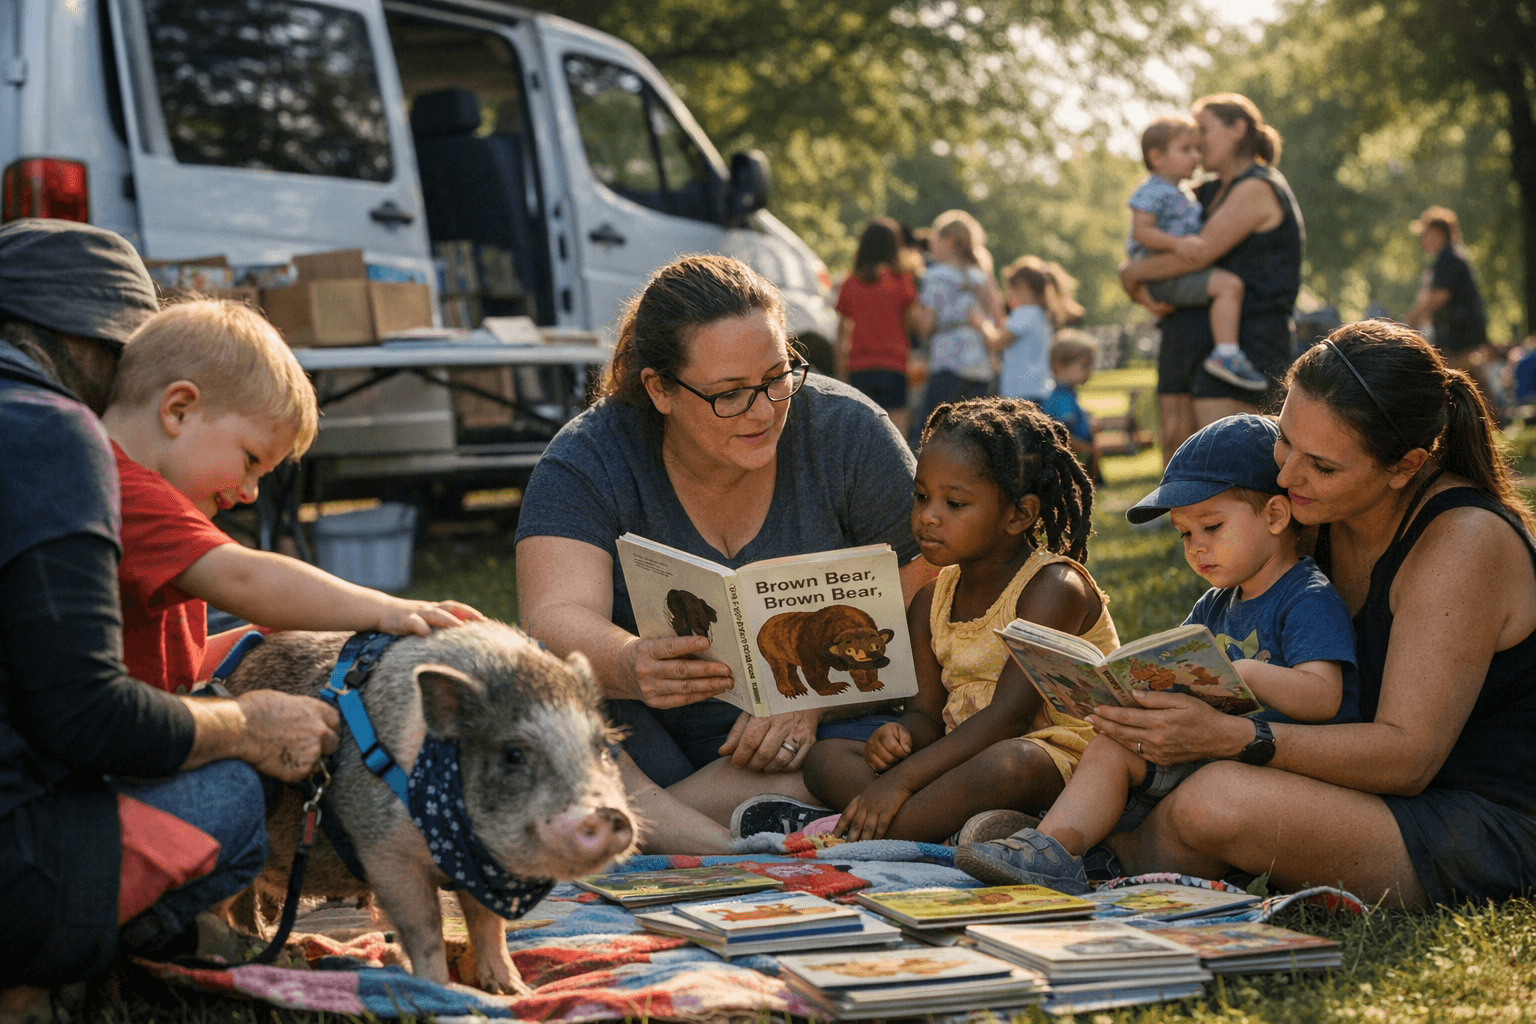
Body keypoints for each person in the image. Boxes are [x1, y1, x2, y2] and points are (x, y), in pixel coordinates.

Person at [1080, 319, 1536, 907]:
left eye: (1321, 466)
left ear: (1406, 465)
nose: (1288, 475)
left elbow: (1407, 759)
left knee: (1217, 800)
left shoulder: (1462, 542)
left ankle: (1104, 862)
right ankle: (1087, 842)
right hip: (1350, 788)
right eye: (1285, 440)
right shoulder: (1316, 513)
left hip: (1475, 820)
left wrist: (1233, 737)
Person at [0, 220, 339, 1005]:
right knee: (228, 791)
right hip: (18, 874)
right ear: (87, 345)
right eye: (124, 363)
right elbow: (90, 720)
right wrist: (248, 723)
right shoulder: (50, 429)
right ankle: (77, 976)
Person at [514, 254, 933, 854]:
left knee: (904, 745)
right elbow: (552, 616)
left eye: (777, 376)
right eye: (729, 395)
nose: (763, 410)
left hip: (830, 741)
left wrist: (816, 701)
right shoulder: (588, 458)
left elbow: (938, 573)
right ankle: (736, 829)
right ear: (659, 388)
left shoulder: (847, 431)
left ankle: (654, 827)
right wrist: (632, 661)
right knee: (542, 685)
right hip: (646, 739)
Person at [955, 414, 1357, 892]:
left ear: (1274, 516)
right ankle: (1053, 849)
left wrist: (1246, 672)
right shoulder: (1216, 603)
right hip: (1199, 755)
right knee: (1109, 747)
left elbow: (1324, 696)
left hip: (1267, 770)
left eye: (1211, 526)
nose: (1197, 548)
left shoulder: (1305, 596)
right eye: (1186, 534)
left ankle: (1089, 848)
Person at [101, 299, 480, 694]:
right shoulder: (122, 490)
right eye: (250, 460)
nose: (250, 492)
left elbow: (172, 668)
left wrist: (268, 633)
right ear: (179, 410)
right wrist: (390, 610)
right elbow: (244, 578)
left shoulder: (130, 493)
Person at [800, 398, 1117, 843]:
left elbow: (1008, 718)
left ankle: (890, 824)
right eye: (922, 496)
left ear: (1018, 514)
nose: (929, 516)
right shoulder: (930, 599)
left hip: (1055, 757)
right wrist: (898, 739)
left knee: (1010, 763)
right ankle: (935, 827)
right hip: (958, 759)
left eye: (954, 503)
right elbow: (926, 718)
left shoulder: (1053, 589)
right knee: (825, 758)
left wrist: (900, 781)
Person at [1120, 93, 1305, 466]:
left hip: (1253, 340)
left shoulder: (1256, 187)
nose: (1197, 140)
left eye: (1204, 129)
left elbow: (1198, 253)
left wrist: (1132, 273)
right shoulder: (1203, 192)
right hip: (1207, 335)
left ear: (1237, 129)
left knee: (1233, 461)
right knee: (1194, 455)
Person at [1126, 115, 1259, 392]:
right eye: (1186, 150)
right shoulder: (1152, 190)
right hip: (1162, 273)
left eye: (1197, 149)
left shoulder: (1179, 191)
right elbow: (1141, 231)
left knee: (1227, 285)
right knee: (1229, 286)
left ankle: (1225, 350)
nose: (1196, 157)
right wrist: (1177, 245)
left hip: (1171, 273)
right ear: (1157, 157)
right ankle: (1227, 354)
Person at [909, 210, 1004, 444]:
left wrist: (911, 311)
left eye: (935, 237)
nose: (931, 243)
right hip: (979, 365)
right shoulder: (979, 276)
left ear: (948, 240)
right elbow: (996, 317)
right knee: (971, 435)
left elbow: (926, 326)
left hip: (948, 362)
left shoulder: (935, 276)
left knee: (930, 431)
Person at [835, 218, 918, 436]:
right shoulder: (902, 282)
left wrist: (840, 373)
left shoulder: (850, 283)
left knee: (861, 434)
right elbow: (910, 325)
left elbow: (841, 333)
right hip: (894, 366)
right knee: (897, 434)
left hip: (859, 368)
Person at [976, 256, 1083, 405]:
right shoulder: (1040, 314)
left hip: (1021, 393)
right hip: (1039, 389)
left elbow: (996, 342)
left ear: (1022, 288)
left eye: (1010, 291)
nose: (1008, 298)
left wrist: (981, 322)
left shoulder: (1025, 314)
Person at [1403, 206, 1490, 381]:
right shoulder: (1447, 259)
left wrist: (1409, 321)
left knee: (1466, 385)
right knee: (1468, 385)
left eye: (1425, 233)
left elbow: (1438, 297)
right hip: (1458, 339)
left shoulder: (1450, 259)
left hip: (1460, 340)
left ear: (1437, 232)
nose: (1422, 238)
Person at [1041, 333, 1100, 481]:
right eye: (1084, 365)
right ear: (1059, 367)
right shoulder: (1061, 399)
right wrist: (1091, 450)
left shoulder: (1068, 394)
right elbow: (1062, 437)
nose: (1090, 370)